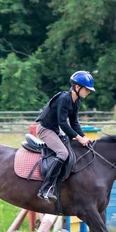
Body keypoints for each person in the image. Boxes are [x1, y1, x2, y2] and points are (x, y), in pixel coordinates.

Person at [35, 70, 95, 201]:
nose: (89, 92)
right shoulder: (64, 99)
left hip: (55, 130)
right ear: (77, 87)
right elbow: (63, 123)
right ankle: (45, 189)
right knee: (63, 153)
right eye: (87, 89)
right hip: (45, 129)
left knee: (72, 148)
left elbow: (74, 123)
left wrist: (84, 137)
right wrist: (79, 138)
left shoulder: (76, 101)